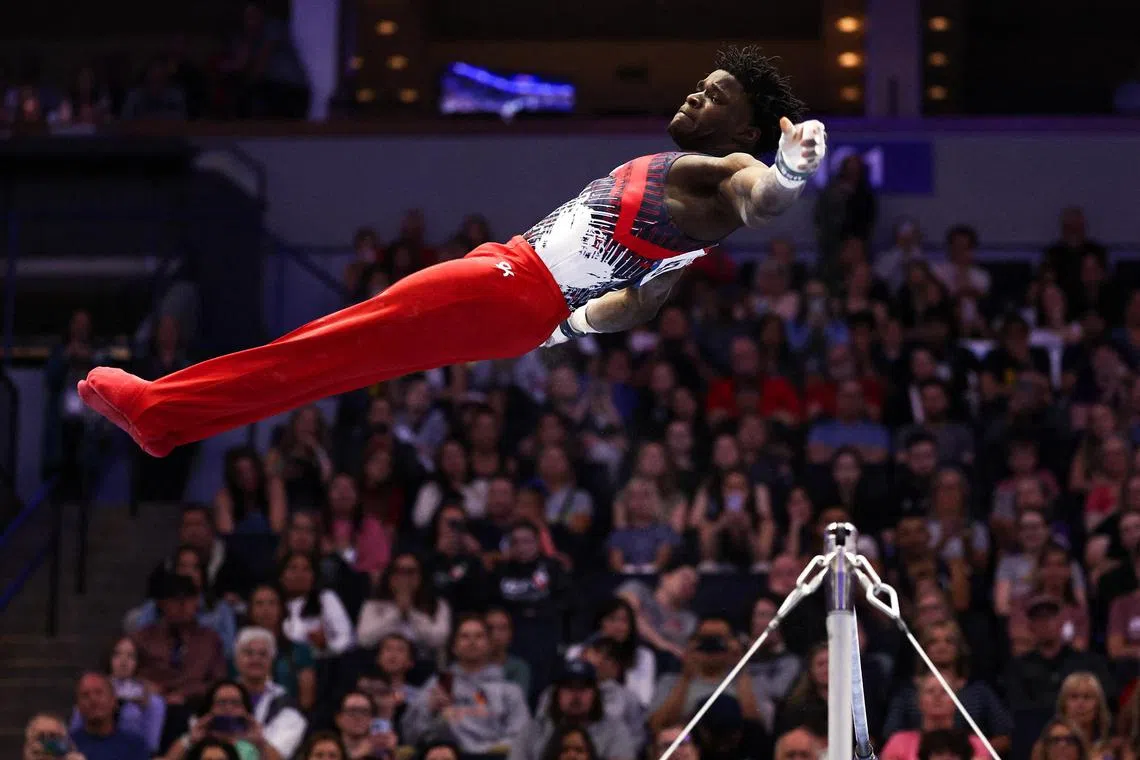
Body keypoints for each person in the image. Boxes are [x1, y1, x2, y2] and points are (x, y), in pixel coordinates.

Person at [77, 47, 827, 458]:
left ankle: (160, 408)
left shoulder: (724, 173)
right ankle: (169, 420)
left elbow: (766, 198)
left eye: (714, 95)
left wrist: (790, 168)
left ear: (749, 127)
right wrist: (566, 330)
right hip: (522, 302)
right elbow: (643, 300)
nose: (696, 96)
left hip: (513, 285)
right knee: (340, 359)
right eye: (699, 84)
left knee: (334, 345)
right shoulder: (692, 223)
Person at [69, 673, 150, 760]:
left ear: (113, 701)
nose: (93, 699)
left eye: (99, 693)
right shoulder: (69, 746)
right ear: (78, 706)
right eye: (85, 695)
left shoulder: (135, 745)